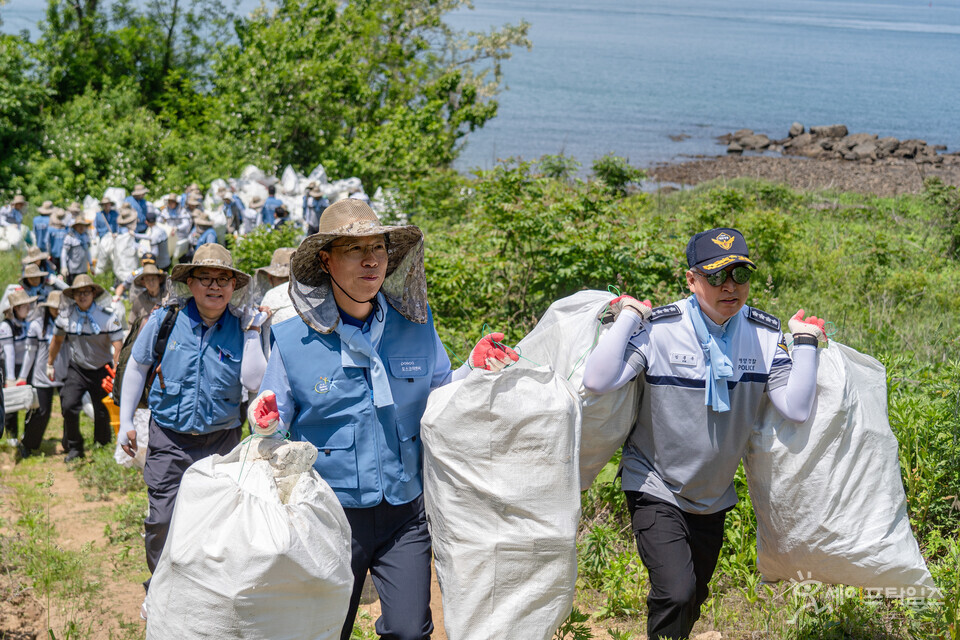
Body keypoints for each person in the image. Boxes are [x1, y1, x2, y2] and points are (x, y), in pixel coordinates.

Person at [250, 199, 517, 640]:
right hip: (328, 515)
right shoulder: (292, 339)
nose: (372, 260)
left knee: (411, 632)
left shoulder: (416, 323)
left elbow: (441, 397)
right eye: (355, 250)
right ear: (326, 260)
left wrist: (472, 366)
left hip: (406, 512)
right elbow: (273, 428)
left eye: (378, 247)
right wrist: (264, 424)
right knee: (323, 630)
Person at [582, 227, 827, 640]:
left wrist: (804, 343)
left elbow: (796, 408)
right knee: (676, 592)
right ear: (692, 280)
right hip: (654, 481)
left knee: (694, 595)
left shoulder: (765, 336)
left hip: (713, 495)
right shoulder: (661, 329)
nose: (730, 286)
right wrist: (629, 315)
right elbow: (598, 379)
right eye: (715, 276)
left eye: (740, 274)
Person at [116, 243, 268, 607]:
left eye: (223, 279)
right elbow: (137, 367)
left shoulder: (245, 325)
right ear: (191, 283)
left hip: (223, 440)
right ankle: (161, 590)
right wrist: (124, 422)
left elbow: (253, 381)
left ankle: (207, 593)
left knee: (220, 522)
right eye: (206, 279)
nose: (215, 287)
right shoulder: (164, 320)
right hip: (169, 437)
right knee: (163, 519)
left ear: (234, 286)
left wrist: (250, 333)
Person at [48, 274, 124, 461]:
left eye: (86, 292)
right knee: (68, 404)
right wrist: (49, 363)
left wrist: (117, 371)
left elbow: (117, 345)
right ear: (73, 295)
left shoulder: (109, 316)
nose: (82, 296)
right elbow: (56, 341)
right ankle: (74, 447)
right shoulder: (65, 316)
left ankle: (103, 444)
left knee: (102, 409)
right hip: (78, 368)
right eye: (78, 293)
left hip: (102, 368)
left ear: (93, 293)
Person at [18, 291, 69, 459]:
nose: (57, 311)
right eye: (54, 308)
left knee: (69, 410)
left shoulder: (68, 323)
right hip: (42, 375)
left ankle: (70, 445)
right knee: (41, 412)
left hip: (63, 373)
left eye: (59, 308)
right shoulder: (36, 326)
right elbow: (30, 353)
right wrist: (23, 376)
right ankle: (28, 444)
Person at [1, 289, 37, 446]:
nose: (28, 308)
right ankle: (11, 434)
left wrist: (24, 373)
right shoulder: (6, 326)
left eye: (28, 305)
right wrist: (10, 378)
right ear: (15, 308)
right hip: (10, 367)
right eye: (24, 306)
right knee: (11, 400)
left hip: (26, 365)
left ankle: (28, 432)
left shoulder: (27, 322)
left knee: (32, 398)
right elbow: (9, 353)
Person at [60, 214, 92, 285]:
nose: (81, 227)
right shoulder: (70, 237)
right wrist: (64, 266)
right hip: (72, 269)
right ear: (75, 226)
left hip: (83, 268)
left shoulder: (85, 237)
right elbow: (64, 252)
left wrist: (91, 264)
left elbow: (87, 251)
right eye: (79, 225)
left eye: (83, 225)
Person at [47, 206, 73, 273]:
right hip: (58, 254)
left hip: (58, 253)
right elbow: (48, 243)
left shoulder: (51, 230)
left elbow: (47, 243)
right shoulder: (66, 230)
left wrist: (48, 253)